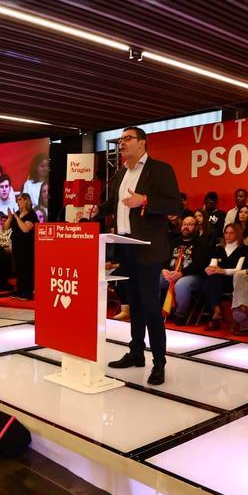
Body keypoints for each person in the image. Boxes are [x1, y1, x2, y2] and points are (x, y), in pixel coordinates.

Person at [98, 126, 183, 385]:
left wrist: (145, 200)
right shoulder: (121, 173)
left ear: (142, 143)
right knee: (133, 302)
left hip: (149, 246)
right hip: (125, 245)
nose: (121, 143)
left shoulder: (160, 169)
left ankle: (159, 362)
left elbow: (175, 205)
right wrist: (94, 210)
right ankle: (136, 352)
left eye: (127, 139)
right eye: (121, 139)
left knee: (149, 305)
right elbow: (113, 204)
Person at [164, 214, 213, 324]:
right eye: (184, 224)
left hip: (193, 275)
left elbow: (200, 264)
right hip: (172, 272)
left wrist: (181, 273)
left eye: (190, 224)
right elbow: (165, 258)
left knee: (181, 284)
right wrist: (164, 269)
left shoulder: (201, 243)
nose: (186, 227)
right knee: (155, 279)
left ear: (196, 228)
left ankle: (180, 315)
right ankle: (156, 311)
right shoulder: (174, 241)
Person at [200, 222, 247, 330]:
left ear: (237, 234)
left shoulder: (243, 249)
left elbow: (238, 270)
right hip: (217, 280)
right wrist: (209, 269)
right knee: (211, 279)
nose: (228, 235)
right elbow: (213, 265)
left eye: (231, 233)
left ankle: (214, 315)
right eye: (226, 233)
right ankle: (216, 310)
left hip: (233, 281)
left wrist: (222, 271)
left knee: (208, 284)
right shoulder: (218, 248)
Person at [8, 193, 37, 300]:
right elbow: (5, 227)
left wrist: (16, 217)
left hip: (27, 247)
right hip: (17, 245)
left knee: (27, 269)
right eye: (17, 200)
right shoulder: (17, 214)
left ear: (26, 201)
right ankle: (19, 291)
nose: (17, 201)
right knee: (19, 268)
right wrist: (10, 218)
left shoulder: (31, 214)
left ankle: (27, 293)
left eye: (20, 199)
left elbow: (25, 228)